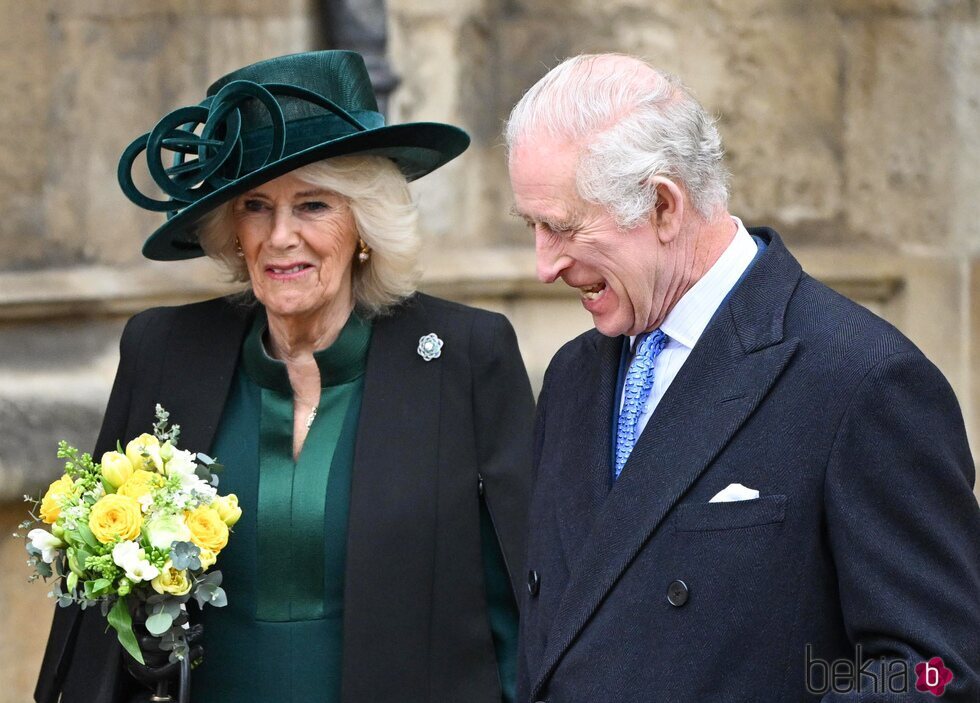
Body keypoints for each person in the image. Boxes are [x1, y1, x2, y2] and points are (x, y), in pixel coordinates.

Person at [35, 50, 533, 703]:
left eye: (313, 205)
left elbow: (521, 603)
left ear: (364, 225)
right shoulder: (165, 350)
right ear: (231, 231)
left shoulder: (467, 356)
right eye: (256, 206)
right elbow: (93, 616)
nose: (280, 237)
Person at [506, 53, 980, 702]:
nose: (543, 265)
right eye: (530, 226)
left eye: (561, 227)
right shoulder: (571, 375)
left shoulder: (863, 379)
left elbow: (937, 670)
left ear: (664, 207)